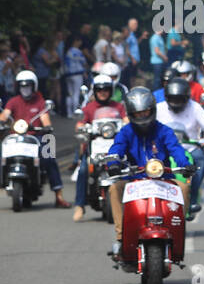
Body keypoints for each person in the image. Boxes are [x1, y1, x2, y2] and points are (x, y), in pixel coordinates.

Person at [106, 88, 192, 259]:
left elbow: (176, 150)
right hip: (134, 180)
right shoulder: (126, 132)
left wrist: (186, 165)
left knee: (184, 188)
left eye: (145, 112)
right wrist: (113, 163)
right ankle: (121, 237)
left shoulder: (164, 131)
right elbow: (116, 148)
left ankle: (177, 230)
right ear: (131, 114)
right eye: (137, 113)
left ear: (152, 110)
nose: (142, 116)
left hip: (164, 179)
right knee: (114, 188)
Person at [0, 70, 69, 207]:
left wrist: (46, 127)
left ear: (34, 87)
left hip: (36, 138)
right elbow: (5, 115)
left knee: (49, 158)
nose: (25, 89)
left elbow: (45, 119)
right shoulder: (13, 101)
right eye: (22, 86)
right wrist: (3, 122)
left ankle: (58, 195)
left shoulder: (40, 102)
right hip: (16, 138)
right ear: (18, 87)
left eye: (28, 86)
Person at [155, 77, 204, 219]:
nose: (176, 103)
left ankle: (193, 196)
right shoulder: (159, 108)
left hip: (190, 148)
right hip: (164, 150)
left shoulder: (195, 107)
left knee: (200, 160)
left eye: (180, 99)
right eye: (173, 99)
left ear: (187, 98)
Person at [71, 74, 127, 221]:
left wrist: (127, 126)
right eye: (99, 90)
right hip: (95, 147)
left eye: (106, 90)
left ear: (111, 90)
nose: (103, 92)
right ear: (95, 91)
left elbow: (126, 120)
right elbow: (80, 124)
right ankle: (79, 206)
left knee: (129, 168)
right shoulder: (89, 108)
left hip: (114, 147)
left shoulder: (119, 107)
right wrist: (82, 128)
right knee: (83, 170)